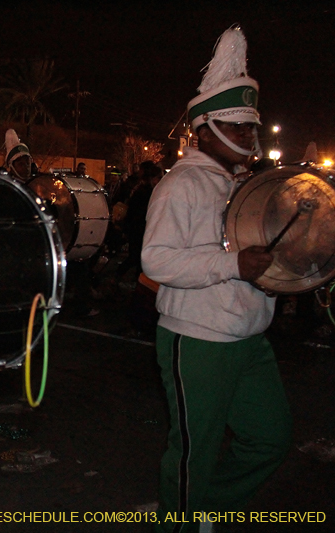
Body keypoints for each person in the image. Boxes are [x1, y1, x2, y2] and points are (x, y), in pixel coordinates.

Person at [142, 27, 291, 532]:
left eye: (251, 127)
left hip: (250, 338)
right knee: (192, 453)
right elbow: (156, 262)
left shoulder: (245, 186)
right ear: (203, 129)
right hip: (197, 339)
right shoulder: (180, 184)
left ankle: (202, 508)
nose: (247, 136)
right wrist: (233, 265)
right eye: (236, 126)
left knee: (269, 437)